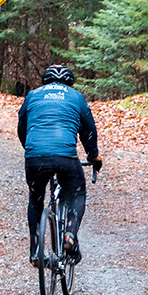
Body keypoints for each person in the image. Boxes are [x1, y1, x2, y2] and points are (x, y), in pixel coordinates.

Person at [17, 65, 102, 265]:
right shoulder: (76, 97)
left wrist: (31, 150)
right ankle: (70, 236)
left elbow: (22, 127)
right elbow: (89, 131)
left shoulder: (32, 96)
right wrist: (94, 156)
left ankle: (36, 252)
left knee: (36, 198)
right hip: (65, 157)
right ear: (69, 81)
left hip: (34, 157)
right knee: (77, 191)